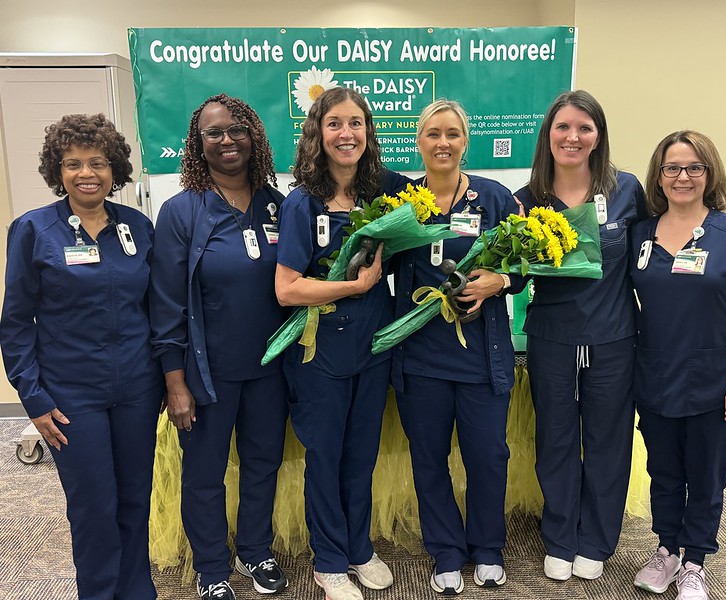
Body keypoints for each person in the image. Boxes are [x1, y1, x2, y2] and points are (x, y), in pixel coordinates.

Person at [0, 114, 163, 599]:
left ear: (115, 170)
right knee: (93, 506)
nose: (86, 173)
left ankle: (138, 592)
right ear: (58, 170)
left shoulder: (137, 227)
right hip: (72, 396)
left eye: (97, 162)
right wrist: (32, 396)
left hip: (136, 388)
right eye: (73, 164)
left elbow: (156, 308)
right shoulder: (33, 230)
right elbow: (15, 323)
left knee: (135, 500)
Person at [149, 94, 290, 600]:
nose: (227, 140)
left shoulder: (279, 204)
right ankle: (212, 569)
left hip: (271, 369)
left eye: (236, 129)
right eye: (214, 133)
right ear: (198, 144)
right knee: (205, 473)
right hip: (206, 375)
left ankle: (256, 552)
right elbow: (164, 303)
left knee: (262, 464)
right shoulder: (182, 212)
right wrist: (174, 380)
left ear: (253, 135)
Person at [274, 87, 407, 600]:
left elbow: (433, 201)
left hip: (372, 347)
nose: (346, 134)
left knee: (361, 454)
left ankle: (357, 547)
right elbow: (287, 289)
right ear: (318, 133)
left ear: (369, 132)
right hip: (319, 351)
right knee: (325, 456)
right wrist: (352, 287)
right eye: (335, 124)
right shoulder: (301, 203)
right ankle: (328, 560)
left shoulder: (385, 192)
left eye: (356, 123)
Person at [630, 131, 726, 600]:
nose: (683, 176)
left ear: (709, 173)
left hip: (715, 381)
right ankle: (667, 549)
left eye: (694, 167)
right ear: (659, 176)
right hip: (655, 376)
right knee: (664, 472)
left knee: (707, 475)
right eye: (672, 167)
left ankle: (694, 562)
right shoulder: (640, 236)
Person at [515, 90, 647, 581]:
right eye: (563, 127)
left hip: (613, 338)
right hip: (552, 339)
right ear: (547, 135)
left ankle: (596, 539)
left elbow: (649, 262)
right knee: (555, 440)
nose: (573, 137)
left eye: (584, 128)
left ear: (598, 137)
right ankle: (560, 537)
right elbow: (513, 273)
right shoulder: (526, 200)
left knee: (609, 441)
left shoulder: (627, 190)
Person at [390, 99, 520, 595]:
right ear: (418, 143)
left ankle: (487, 549)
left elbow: (526, 269)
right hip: (421, 358)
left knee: (488, 456)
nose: (442, 143)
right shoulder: (402, 203)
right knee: (429, 458)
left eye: (452, 134)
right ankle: (445, 550)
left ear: (466, 142)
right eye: (432, 134)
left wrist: (499, 281)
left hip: (482, 359)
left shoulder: (494, 199)